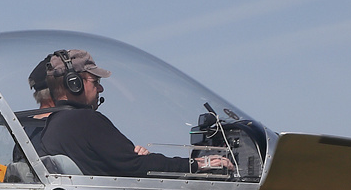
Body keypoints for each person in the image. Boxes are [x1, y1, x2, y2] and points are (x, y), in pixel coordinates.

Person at [33, 49, 233, 178]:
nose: (100, 90)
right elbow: (138, 166)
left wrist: (131, 157)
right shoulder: (85, 120)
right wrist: (199, 164)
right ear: (74, 84)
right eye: (95, 82)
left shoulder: (54, 124)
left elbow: (123, 162)